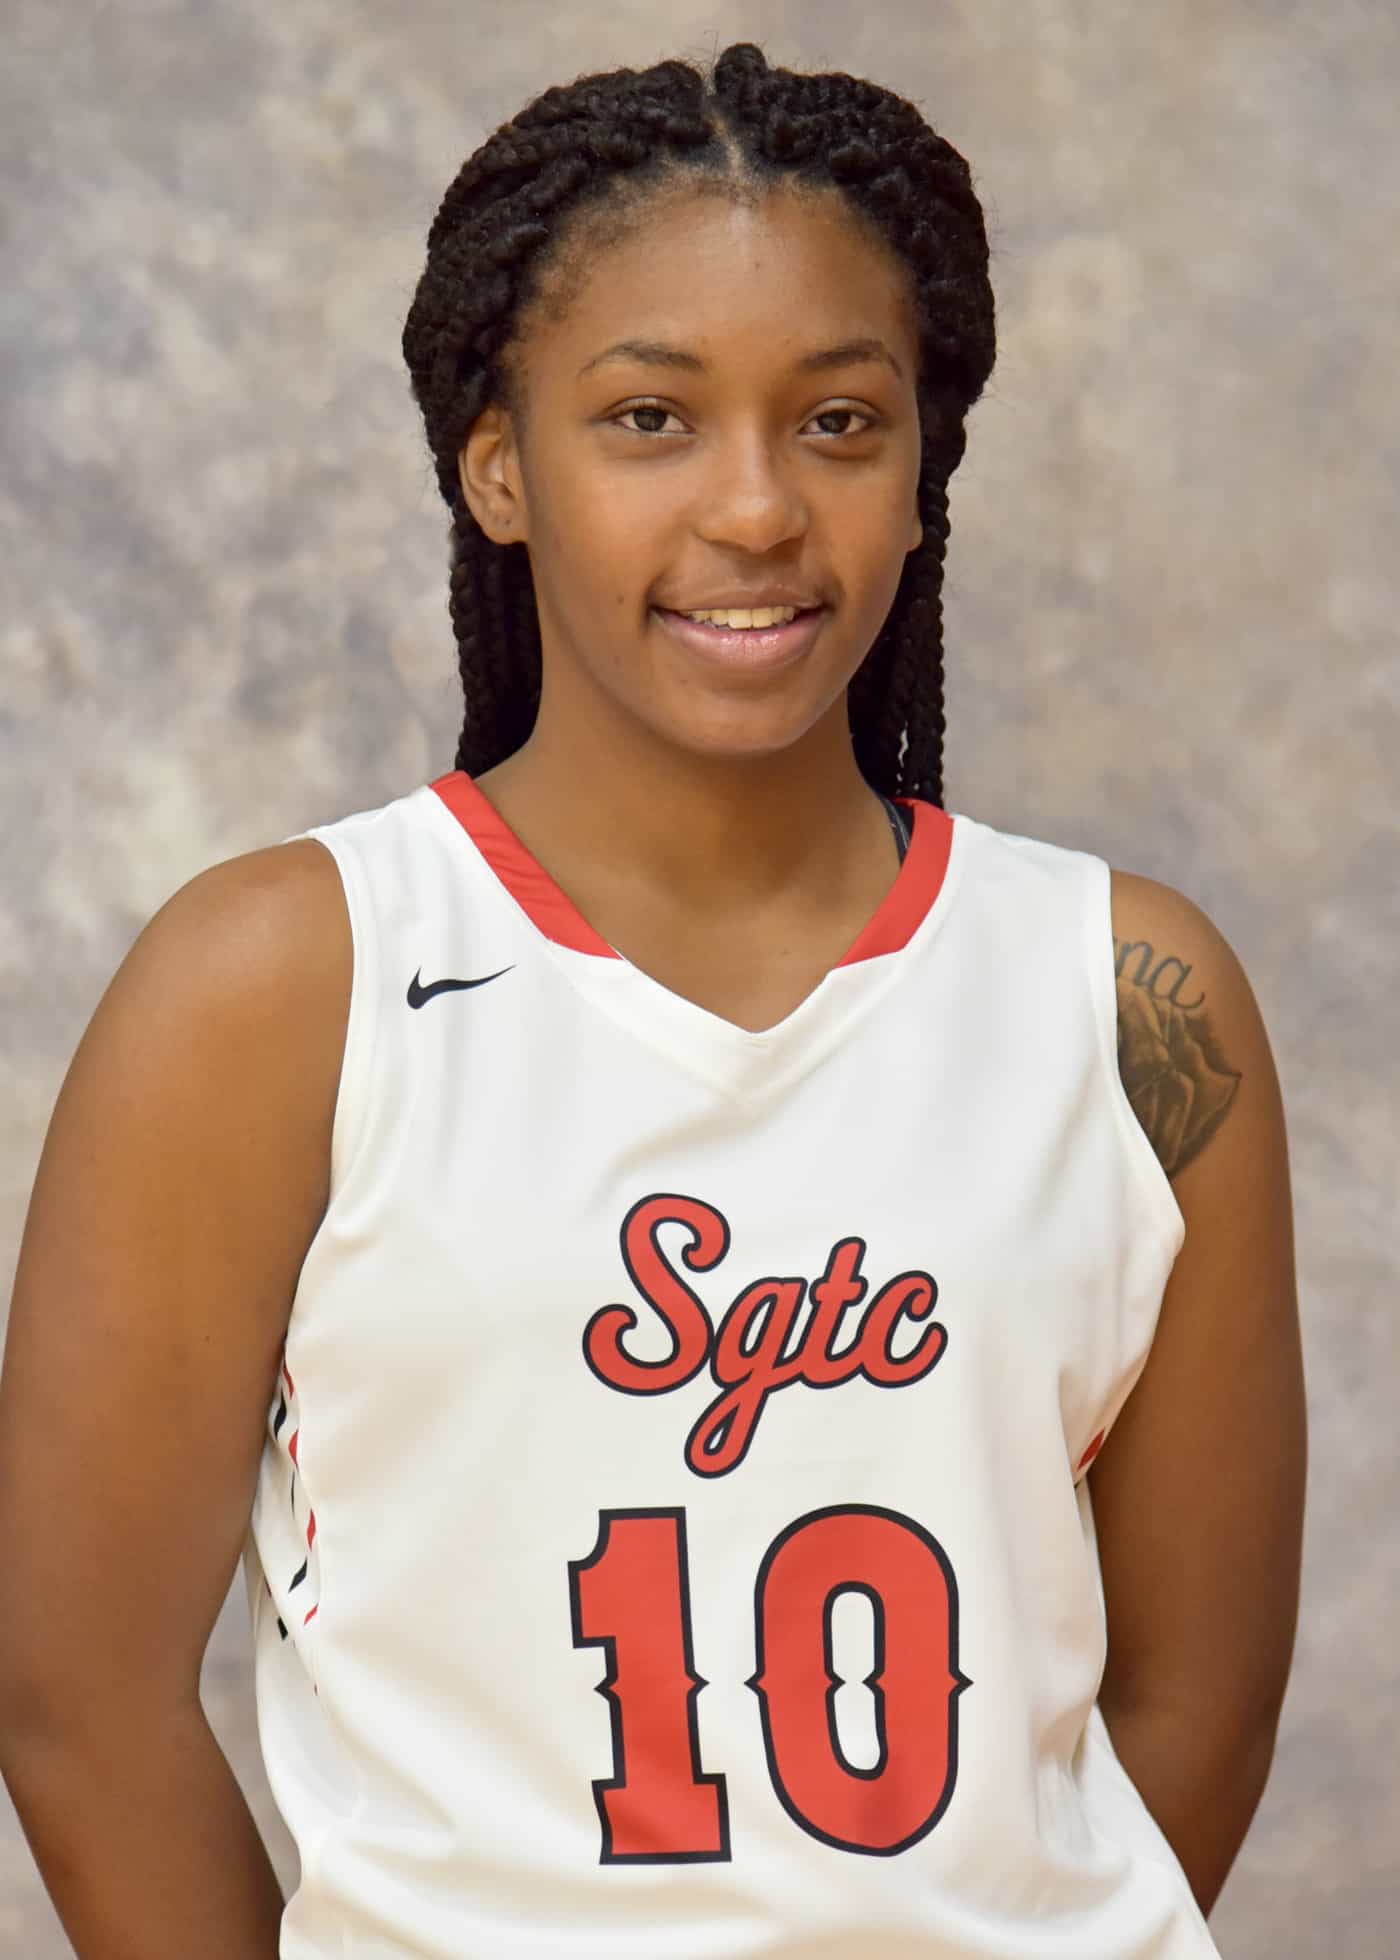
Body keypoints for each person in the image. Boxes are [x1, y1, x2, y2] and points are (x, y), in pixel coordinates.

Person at [0, 39, 1305, 1960]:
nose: (760, 508)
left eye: (840, 422)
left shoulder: (1131, 1002)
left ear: (925, 465)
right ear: (498, 461)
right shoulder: (283, 987)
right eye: (650, 419)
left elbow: (1191, 1713)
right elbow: (81, 1705)